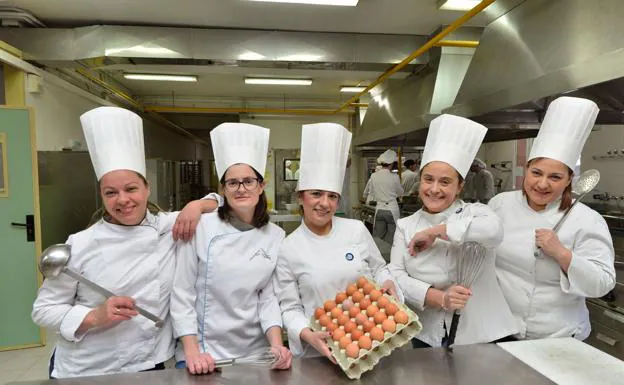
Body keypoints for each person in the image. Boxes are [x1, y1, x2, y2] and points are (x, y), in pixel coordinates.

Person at [31, 107, 220, 379]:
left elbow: (224, 202)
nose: (122, 200)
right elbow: (43, 311)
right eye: (111, 192)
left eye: (131, 189)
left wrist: (197, 205)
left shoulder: (169, 226)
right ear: (101, 195)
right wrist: (95, 316)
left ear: (147, 189)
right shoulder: (82, 243)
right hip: (88, 368)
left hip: (150, 363)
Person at [489, 96, 616, 341]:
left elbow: (602, 284)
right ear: (526, 169)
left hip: (558, 336)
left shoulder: (586, 219)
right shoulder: (500, 204)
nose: (542, 184)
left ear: (569, 179)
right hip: (501, 328)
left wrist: (562, 254)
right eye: (536, 173)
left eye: (555, 177)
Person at [171, 123, 292, 375]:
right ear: (222, 190)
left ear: (261, 186)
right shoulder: (201, 226)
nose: (241, 189)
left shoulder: (276, 236)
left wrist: (277, 345)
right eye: (233, 183)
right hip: (204, 351)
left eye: (248, 181)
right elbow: (182, 292)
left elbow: (267, 297)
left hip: (256, 353)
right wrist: (193, 352)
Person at [274, 123, 400, 361]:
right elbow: (289, 308)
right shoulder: (289, 248)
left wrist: (387, 281)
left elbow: (380, 268)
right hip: (318, 352)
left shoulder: (356, 230)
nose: (325, 203)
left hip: (371, 342)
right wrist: (307, 334)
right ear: (301, 196)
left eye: (332, 196)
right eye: (316, 194)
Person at [389, 114, 517, 348]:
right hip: (426, 335)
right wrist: (439, 298)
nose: (434, 189)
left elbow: (494, 232)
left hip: (482, 335)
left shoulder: (478, 213)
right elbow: (396, 276)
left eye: (445, 182)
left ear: (459, 187)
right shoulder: (405, 226)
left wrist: (437, 231)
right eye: (428, 179)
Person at [367, 150, 404, 244]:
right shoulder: (394, 176)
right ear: (391, 163)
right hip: (391, 208)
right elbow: (400, 192)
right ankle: (390, 256)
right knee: (392, 238)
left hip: (379, 209)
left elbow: (370, 191)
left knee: (377, 237)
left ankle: (378, 255)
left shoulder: (374, 176)